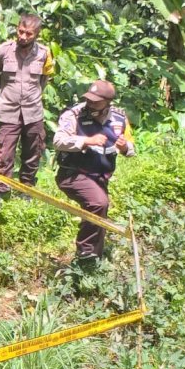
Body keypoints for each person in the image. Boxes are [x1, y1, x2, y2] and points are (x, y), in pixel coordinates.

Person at [53, 80, 135, 260]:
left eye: (96, 101)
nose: (90, 103)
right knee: (98, 203)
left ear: (108, 102)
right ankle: (86, 251)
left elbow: (131, 149)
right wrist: (86, 141)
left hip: (100, 176)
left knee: (100, 211)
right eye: (89, 99)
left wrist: (124, 147)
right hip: (73, 173)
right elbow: (58, 141)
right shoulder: (73, 115)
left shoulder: (120, 118)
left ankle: (94, 259)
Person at [0, 13, 54, 200]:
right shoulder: (3, 51)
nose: (23, 37)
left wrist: (33, 96)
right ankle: (1, 193)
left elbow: (44, 79)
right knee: (5, 155)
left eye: (29, 34)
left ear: (37, 34)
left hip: (33, 112)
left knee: (33, 153)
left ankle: (26, 191)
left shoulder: (44, 53)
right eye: (21, 31)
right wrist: (6, 94)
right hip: (8, 112)